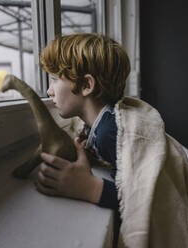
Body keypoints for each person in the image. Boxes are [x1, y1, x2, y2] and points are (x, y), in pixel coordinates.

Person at [34, 33, 130, 246]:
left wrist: (88, 187)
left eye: (55, 79)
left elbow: (141, 194)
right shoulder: (99, 124)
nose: (49, 91)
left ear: (86, 85)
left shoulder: (110, 131)